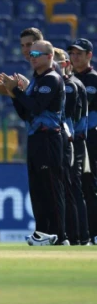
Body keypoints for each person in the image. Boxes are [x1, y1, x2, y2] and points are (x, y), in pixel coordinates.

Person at [1, 40, 68, 245]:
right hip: (35, 138)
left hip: (49, 138)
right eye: (31, 53)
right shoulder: (37, 82)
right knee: (37, 188)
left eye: (37, 53)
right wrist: (13, 93)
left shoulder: (51, 79)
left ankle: (59, 235)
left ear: (49, 57)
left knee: (50, 186)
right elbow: (25, 113)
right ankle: (42, 233)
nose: (32, 56)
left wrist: (18, 91)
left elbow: (37, 107)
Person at [53, 47, 84, 245]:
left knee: (70, 189)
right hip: (63, 140)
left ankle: (76, 237)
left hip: (69, 141)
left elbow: (69, 117)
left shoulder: (70, 86)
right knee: (64, 189)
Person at [68, 38, 97, 243]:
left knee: (89, 186)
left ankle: (93, 233)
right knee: (76, 187)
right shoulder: (67, 80)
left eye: (79, 53)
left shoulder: (94, 79)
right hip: (74, 139)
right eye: (72, 53)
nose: (74, 56)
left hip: (91, 138)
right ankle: (80, 233)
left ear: (89, 55)